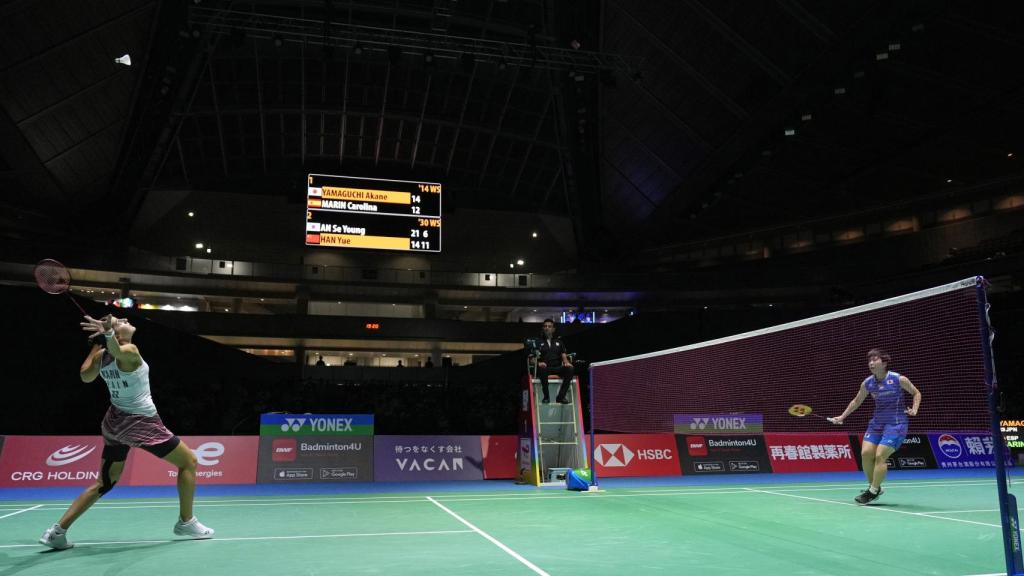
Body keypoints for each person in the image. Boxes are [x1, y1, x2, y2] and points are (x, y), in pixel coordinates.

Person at [39, 315, 214, 550]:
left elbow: (85, 375)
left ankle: (57, 532)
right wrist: (106, 335)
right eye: (120, 321)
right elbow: (114, 353)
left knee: (105, 482)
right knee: (189, 461)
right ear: (116, 333)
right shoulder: (130, 350)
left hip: (114, 423)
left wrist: (98, 344)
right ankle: (186, 522)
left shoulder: (102, 357)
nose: (125, 319)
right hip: (141, 423)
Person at [831, 348, 921, 505]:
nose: (871, 363)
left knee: (880, 455)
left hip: (896, 424)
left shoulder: (898, 379)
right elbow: (856, 401)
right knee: (866, 453)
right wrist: (842, 417)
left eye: (875, 360)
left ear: (884, 363)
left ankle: (872, 492)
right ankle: (875, 487)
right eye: (869, 361)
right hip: (877, 423)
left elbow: (916, 393)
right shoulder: (868, 383)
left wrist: (914, 409)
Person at [531, 319, 574, 404]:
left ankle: (561, 397)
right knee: (542, 369)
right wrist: (539, 363)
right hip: (544, 368)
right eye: (545, 326)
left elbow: (563, 354)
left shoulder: (559, 342)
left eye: (549, 326)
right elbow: (531, 359)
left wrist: (566, 362)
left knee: (570, 369)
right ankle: (546, 397)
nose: (547, 328)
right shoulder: (537, 342)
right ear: (543, 328)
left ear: (553, 329)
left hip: (557, 368)